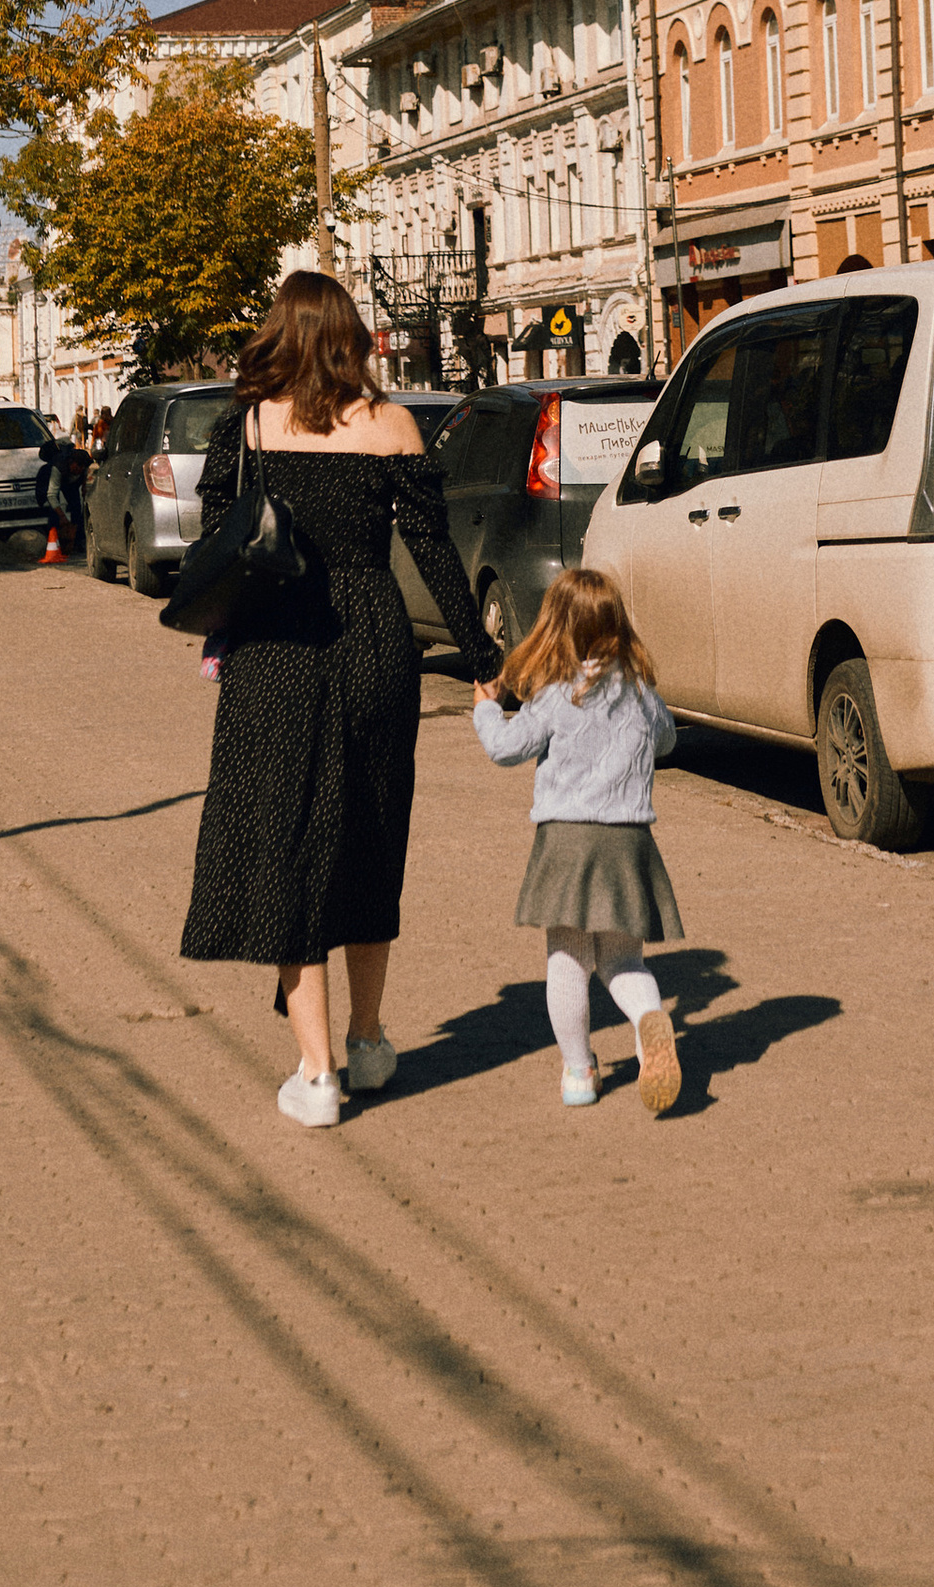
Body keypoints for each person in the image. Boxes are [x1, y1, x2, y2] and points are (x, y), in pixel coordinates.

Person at [179, 271, 489, 1128]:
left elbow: (214, 540)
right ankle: (370, 1039)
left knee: (283, 846)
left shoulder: (243, 425)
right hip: (373, 647)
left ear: (280, 333)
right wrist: (484, 657)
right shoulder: (393, 425)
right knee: (366, 833)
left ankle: (316, 1076)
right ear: (349, 335)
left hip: (274, 649)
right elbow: (434, 555)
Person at [472, 563, 684, 1116]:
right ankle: (646, 1023)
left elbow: (507, 749)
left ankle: (578, 1072)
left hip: (566, 843)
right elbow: (665, 742)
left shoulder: (552, 694)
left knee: (567, 959)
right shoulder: (638, 691)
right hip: (627, 842)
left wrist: (485, 709)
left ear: (555, 627)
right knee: (622, 959)